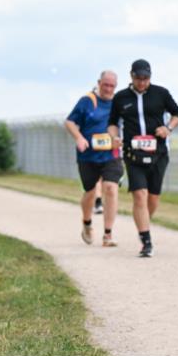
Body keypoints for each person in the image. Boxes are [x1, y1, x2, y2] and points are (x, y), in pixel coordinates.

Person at [107, 59, 178, 258]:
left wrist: (168, 128)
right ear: (131, 76)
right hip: (133, 153)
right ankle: (146, 240)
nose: (142, 82)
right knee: (139, 194)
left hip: (158, 152)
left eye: (146, 78)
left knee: (153, 197)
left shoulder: (161, 93)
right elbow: (113, 123)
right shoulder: (121, 97)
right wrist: (114, 137)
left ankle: (143, 222)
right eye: (138, 78)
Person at [65, 71, 123, 247]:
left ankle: (108, 234)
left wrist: (121, 139)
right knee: (90, 192)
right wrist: (79, 138)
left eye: (112, 86)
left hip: (111, 154)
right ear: (99, 83)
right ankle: (87, 223)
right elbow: (69, 122)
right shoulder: (87, 101)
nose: (108, 89)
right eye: (105, 85)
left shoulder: (119, 103)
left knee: (111, 188)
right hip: (88, 155)